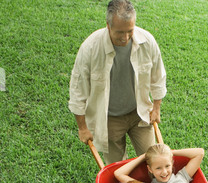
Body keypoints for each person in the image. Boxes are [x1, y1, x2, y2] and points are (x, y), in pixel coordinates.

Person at [69, 0, 167, 164]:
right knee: (117, 171)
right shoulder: (90, 48)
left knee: (153, 162)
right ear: (108, 25)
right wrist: (82, 128)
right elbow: (78, 91)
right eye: (120, 32)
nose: (125, 37)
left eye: (130, 31)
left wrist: (156, 107)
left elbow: (158, 76)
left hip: (139, 113)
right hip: (109, 118)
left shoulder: (147, 42)